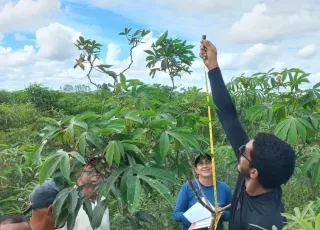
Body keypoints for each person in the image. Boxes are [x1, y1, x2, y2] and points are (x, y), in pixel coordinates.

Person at [199, 39, 296, 230]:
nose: (240, 149)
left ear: (254, 172)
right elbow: (229, 119)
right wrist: (213, 67)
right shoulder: (257, 176)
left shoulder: (267, 223)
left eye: (243, 151)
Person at [173, 154, 232, 230]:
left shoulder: (224, 188)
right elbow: (177, 214)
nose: (205, 166)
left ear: (213, 166)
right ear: (196, 170)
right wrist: (194, 219)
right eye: (200, 163)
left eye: (208, 162)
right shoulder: (188, 187)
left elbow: (233, 214)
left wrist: (222, 213)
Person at [60, 159, 110, 230]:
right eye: (92, 165)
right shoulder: (66, 198)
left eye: (102, 166)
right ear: (79, 170)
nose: (97, 169)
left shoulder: (103, 201)